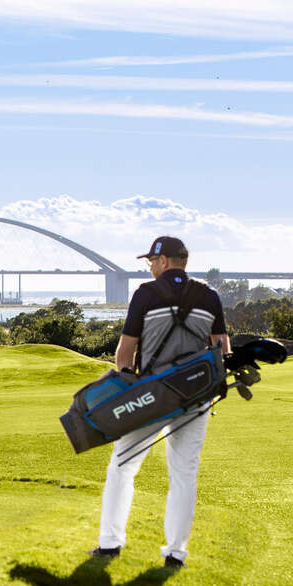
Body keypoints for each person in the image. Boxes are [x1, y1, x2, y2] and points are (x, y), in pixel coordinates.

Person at [90, 236, 229, 568]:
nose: (150, 267)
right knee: (184, 474)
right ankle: (176, 553)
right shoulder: (209, 296)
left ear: (164, 260)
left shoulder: (145, 295)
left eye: (152, 261)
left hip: (150, 397)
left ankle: (110, 544)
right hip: (196, 398)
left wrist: (126, 379)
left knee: (122, 466)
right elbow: (223, 350)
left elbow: (125, 354)